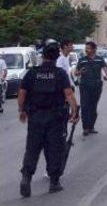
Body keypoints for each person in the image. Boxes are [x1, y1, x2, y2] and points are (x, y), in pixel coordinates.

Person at [18, 41, 79, 197]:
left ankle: (26, 177)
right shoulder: (60, 74)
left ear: (43, 55)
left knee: (32, 149)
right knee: (54, 149)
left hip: (36, 117)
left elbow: (22, 93)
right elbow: (69, 94)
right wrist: (75, 112)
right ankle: (54, 182)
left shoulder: (32, 73)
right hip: (55, 118)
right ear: (56, 57)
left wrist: (22, 110)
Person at [74, 42, 107, 137]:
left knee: (93, 107)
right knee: (85, 107)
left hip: (96, 86)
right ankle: (86, 128)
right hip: (85, 86)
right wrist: (80, 72)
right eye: (86, 48)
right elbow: (75, 73)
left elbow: (106, 71)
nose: (86, 50)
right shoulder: (82, 60)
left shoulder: (99, 60)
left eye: (88, 48)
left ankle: (91, 127)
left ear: (94, 49)